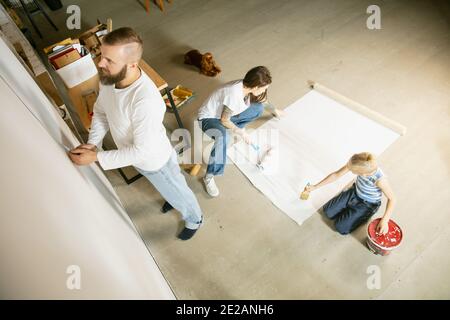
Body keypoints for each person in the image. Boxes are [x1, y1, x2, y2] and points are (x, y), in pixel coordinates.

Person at [68, 27, 203, 240]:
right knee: (174, 186)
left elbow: (141, 151)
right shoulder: (109, 78)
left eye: (109, 60)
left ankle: (195, 218)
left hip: (154, 161)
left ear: (132, 64)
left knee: (178, 189)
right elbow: (102, 112)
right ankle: (174, 195)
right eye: (102, 56)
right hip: (141, 154)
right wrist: (94, 143)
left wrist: (97, 157)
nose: (101, 64)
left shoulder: (145, 101)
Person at [197, 66, 282, 197]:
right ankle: (209, 176)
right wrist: (241, 132)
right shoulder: (233, 94)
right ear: (255, 87)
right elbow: (224, 120)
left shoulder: (247, 86)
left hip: (225, 114)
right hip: (209, 118)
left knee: (258, 108)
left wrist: (275, 111)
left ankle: (234, 130)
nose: (265, 91)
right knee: (223, 138)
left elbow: (263, 101)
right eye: (264, 88)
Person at [302, 152, 396, 235]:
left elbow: (392, 199)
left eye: (352, 171)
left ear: (362, 174)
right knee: (327, 211)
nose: (349, 170)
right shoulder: (358, 163)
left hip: (368, 204)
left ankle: (364, 215)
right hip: (354, 192)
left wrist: (385, 220)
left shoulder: (380, 180)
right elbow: (336, 175)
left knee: (340, 227)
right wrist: (315, 186)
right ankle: (350, 209)